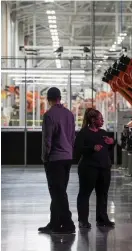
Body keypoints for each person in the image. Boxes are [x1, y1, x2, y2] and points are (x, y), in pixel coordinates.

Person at [39, 87, 76, 234]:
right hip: (67, 157)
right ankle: (54, 223)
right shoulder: (69, 114)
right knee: (59, 191)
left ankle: (68, 224)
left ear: (48, 99)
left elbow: (47, 140)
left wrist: (45, 157)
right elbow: (73, 136)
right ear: (60, 98)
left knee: (58, 192)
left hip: (54, 158)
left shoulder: (49, 115)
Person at [75, 108, 115, 228]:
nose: (102, 120)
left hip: (104, 168)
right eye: (100, 118)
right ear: (93, 120)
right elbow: (78, 149)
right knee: (85, 193)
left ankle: (102, 218)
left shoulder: (103, 132)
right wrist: (92, 148)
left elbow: (107, 150)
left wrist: (111, 143)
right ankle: (83, 220)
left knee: (103, 193)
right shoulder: (83, 133)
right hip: (89, 168)